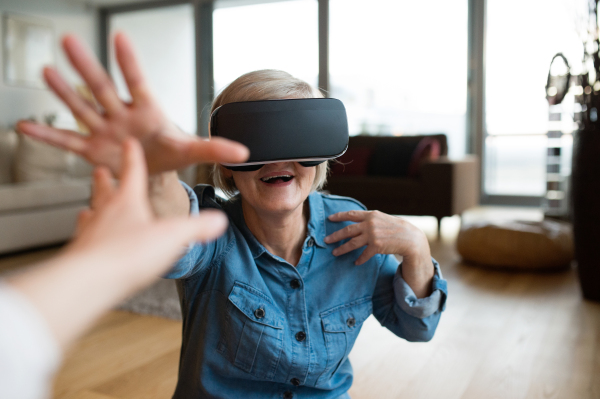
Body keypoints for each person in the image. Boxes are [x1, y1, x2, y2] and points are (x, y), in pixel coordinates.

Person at [18, 33, 448, 398]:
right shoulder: (213, 228)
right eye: (259, 145)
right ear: (226, 166)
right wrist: (153, 169)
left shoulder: (353, 229)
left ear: (320, 160)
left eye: (298, 143)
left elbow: (418, 330)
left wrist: (416, 246)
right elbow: (176, 231)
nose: (279, 159)